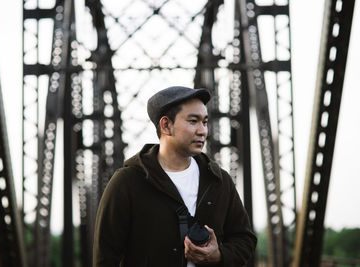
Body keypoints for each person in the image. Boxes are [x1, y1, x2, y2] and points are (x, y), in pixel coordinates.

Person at [93, 86, 257, 267]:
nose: (202, 131)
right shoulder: (127, 182)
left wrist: (218, 255)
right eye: (193, 121)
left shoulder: (218, 180)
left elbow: (244, 239)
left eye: (205, 122)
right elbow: (105, 257)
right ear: (166, 125)